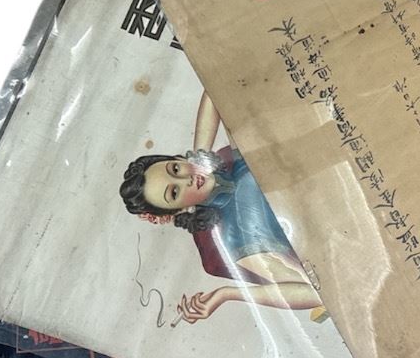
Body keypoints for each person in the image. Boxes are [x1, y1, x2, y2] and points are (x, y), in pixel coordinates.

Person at [119, 90, 320, 325]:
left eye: (175, 169)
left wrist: (199, 155)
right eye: (174, 192)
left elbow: (214, 91)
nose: (186, 180)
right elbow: (317, 293)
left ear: (181, 159)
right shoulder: (236, 237)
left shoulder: (238, 160)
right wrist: (228, 294)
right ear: (177, 210)